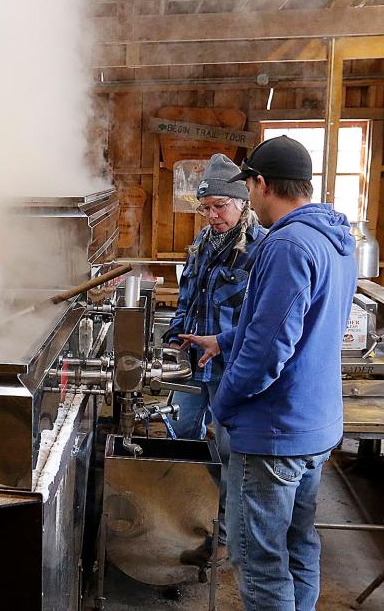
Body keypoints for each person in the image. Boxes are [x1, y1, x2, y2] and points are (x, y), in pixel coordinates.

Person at [180, 135, 357, 611]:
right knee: (299, 545)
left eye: (247, 189)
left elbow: (268, 351)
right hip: (314, 424)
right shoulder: (336, 240)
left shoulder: (285, 245)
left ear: (259, 184)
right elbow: (302, 327)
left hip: (273, 430)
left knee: (258, 560)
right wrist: (223, 341)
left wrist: (224, 405)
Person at [161, 153, 267, 567]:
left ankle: (221, 536)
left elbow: (261, 322)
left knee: (228, 452)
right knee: (182, 440)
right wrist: (175, 338)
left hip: (230, 370)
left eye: (219, 206)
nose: (212, 216)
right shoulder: (203, 245)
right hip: (192, 366)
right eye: (206, 208)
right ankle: (188, 520)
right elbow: (189, 297)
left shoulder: (260, 250)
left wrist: (220, 342)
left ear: (243, 203)